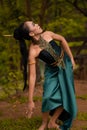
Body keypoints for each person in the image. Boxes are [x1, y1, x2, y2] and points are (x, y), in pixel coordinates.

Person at [13, 21, 77, 130]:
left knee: (64, 96)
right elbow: (32, 76)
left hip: (64, 66)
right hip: (52, 70)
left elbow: (62, 39)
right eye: (33, 25)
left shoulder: (48, 34)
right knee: (47, 97)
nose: (37, 24)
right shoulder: (33, 51)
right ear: (31, 34)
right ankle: (44, 123)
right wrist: (30, 100)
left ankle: (52, 122)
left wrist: (71, 58)